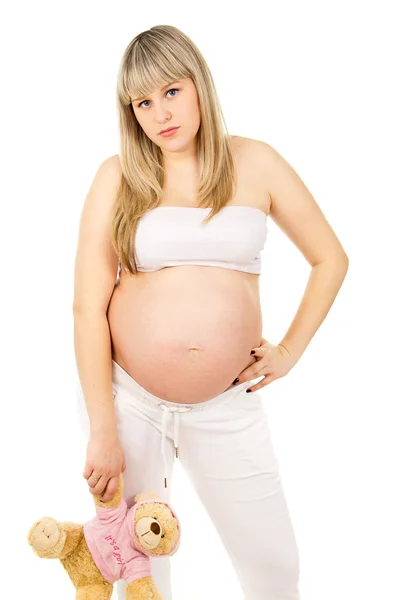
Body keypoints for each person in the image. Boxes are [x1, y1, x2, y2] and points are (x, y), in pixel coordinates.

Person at [73, 25, 349, 600]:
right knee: (143, 573)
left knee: (274, 568)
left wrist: (289, 351)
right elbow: (86, 308)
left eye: (171, 92)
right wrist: (103, 428)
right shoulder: (118, 175)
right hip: (131, 400)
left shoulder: (257, 161)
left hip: (226, 403)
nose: (160, 114)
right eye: (142, 103)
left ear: (199, 84)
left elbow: (330, 259)